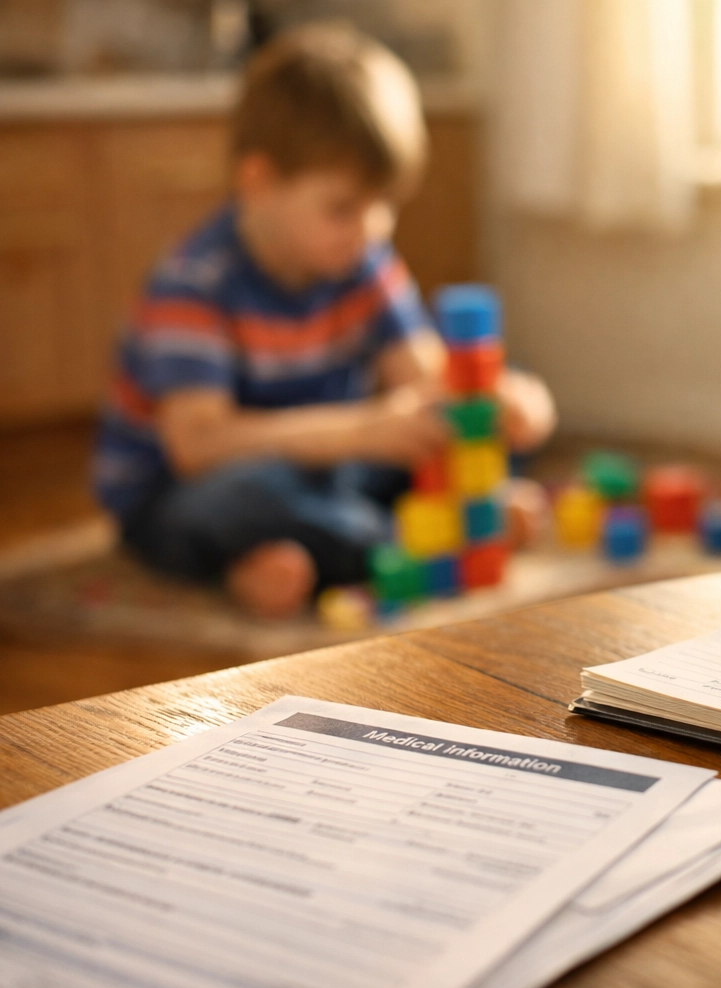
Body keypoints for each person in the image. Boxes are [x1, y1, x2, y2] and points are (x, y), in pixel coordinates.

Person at [92, 23, 556, 618]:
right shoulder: (195, 283)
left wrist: (496, 404)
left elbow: (424, 382)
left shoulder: (361, 260)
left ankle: (335, 547)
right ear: (259, 182)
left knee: (453, 423)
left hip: (326, 465)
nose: (373, 227)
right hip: (185, 489)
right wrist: (365, 430)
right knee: (245, 498)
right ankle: (396, 542)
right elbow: (199, 445)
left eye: (386, 203)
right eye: (344, 207)